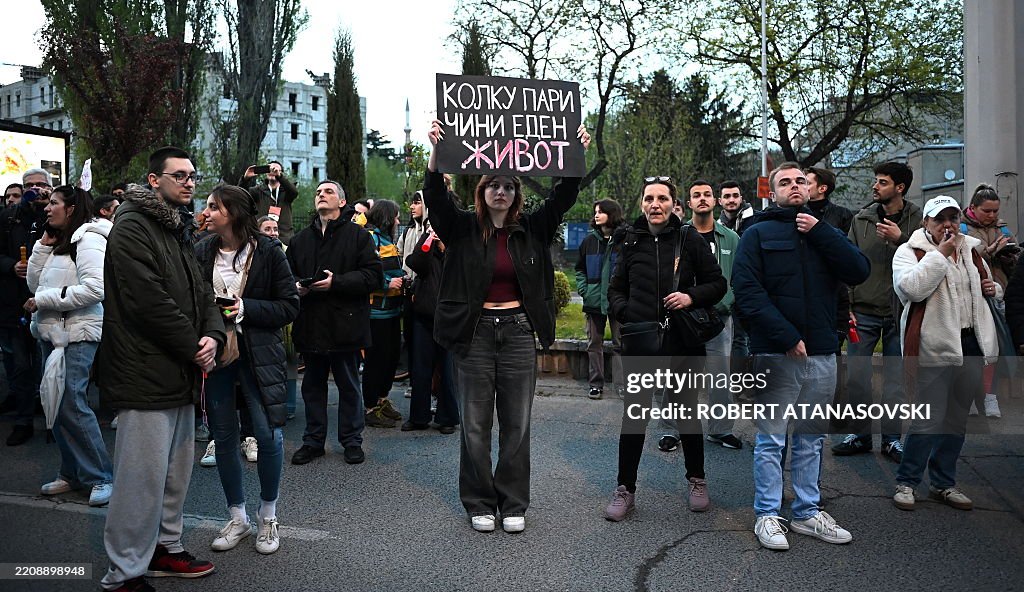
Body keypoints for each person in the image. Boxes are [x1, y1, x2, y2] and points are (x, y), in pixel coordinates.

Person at [423, 119, 590, 533]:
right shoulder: (462, 229)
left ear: (516, 194)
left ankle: (513, 503)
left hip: (517, 333)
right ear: (481, 191)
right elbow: (436, 198)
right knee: (476, 426)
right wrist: (435, 153)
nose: (501, 191)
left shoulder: (533, 229)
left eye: (509, 186)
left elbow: (563, 195)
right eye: (493, 185)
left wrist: (575, 153)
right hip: (475, 335)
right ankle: (479, 501)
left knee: (516, 424)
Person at [98, 147, 225, 590]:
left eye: (193, 175)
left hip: (181, 371)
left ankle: (163, 549)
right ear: (154, 180)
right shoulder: (133, 225)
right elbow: (147, 301)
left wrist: (215, 336)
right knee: (140, 480)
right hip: (145, 373)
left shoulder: (177, 228)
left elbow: (202, 294)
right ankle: (125, 573)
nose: (190, 182)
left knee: (174, 475)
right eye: (179, 175)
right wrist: (196, 347)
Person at [732, 162, 869, 551]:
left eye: (800, 182)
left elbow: (858, 271)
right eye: (785, 182)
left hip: (823, 352)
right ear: (772, 192)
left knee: (811, 439)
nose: (794, 186)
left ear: (811, 189)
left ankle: (808, 512)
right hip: (777, 352)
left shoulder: (824, 232)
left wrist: (821, 231)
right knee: (772, 440)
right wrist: (787, 337)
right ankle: (768, 516)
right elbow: (747, 292)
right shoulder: (756, 233)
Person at [603, 177, 726, 521]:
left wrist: (691, 297)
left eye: (662, 198)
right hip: (642, 341)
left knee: (687, 412)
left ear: (674, 204)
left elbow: (718, 284)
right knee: (635, 416)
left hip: (683, 340)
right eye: (649, 198)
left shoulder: (689, 239)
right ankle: (625, 488)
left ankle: (696, 480)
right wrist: (626, 314)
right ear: (641, 203)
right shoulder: (628, 239)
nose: (655, 204)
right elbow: (615, 288)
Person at [195, 184, 299, 555]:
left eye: (213, 207)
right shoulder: (201, 250)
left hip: (259, 356)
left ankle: (268, 515)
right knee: (224, 437)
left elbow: (289, 306)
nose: (206, 212)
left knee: (268, 436)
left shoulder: (269, 252)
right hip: (217, 356)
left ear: (235, 213)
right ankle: (237, 517)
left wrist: (245, 309)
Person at [891, 195, 998, 512]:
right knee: (927, 420)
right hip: (934, 348)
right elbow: (911, 289)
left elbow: (984, 289)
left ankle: (943, 483)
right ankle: (907, 482)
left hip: (971, 345)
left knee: (956, 420)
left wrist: (993, 288)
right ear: (926, 223)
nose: (948, 225)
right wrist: (941, 254)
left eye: (952, 217)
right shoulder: (909, 251)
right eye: (939, 219)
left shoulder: (971, 249)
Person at [26, 186, 113, 506]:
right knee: (54, 402)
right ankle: (72, 471)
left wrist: (44, 300)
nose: (47, 208)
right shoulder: (59, 241)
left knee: (71, 402)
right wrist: (40, 248)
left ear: (72, 208)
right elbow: (34, 285)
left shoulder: (89, 239)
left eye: (53, 203)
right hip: (52, 333)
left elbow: (95, 289)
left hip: (78, 332)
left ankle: (101, 475)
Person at [287, 180, 381, 466]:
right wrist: (296, 287)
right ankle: (313, 441)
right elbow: (285, 278)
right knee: (312, 387)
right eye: (318, 192)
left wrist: (336, 282)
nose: (320, 195)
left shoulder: (358, 237)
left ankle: (352, 441)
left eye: (328, 191)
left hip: (345, 325)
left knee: (349, 386)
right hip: (312, 324)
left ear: (342, 202)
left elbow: (374, 277)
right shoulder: (301, 240)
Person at [834, 162, 921, 462]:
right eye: (875, 181)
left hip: (901, 311)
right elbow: (846, 263)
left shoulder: (918, 220)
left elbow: (929, 260)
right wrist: (847, 305)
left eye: (882, 182)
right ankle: (859, 435)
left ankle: (892, 439)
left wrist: (901, 240)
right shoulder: (861, 219)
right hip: (863, 312)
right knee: (858, 378)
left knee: (895, 381)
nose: (875, 186)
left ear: (900, 188)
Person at [0, 168, 50, 445]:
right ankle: (23, 420)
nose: (35, 190)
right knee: (19, 366)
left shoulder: (60, 213)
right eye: (29, 185)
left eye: (40, 186)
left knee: (49, 367)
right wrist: (11, 266)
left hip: (50, 302)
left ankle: (53, 422)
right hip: (15, 302)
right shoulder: (8, 217)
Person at [961, 183, 1017, 418]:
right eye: (987, 211)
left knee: (993, 349)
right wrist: (991, 251)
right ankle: (970, 397)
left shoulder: (1003, 230)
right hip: (969, 296)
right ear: (973, 208)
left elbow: (1015, 268)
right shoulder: (961, 227)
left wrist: (1011, 256)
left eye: (995, 211)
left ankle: (989, 396)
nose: (992, 216)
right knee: (970, 350)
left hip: (997, 294)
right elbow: (963, 255)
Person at [403, 220, 459, 434]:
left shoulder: (456, 246)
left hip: (448, 318)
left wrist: (446, 250)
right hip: (423, 316)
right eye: (430, 226)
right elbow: (415, 263)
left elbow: (462, 271)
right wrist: (426, 241)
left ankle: (447, 418)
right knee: (420, 368)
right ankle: (418, 417)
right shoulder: (426, 246)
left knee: (447, 370)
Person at [361, 199, 408, 428]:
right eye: (396, 216)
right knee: (375, 361)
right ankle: (370, 407)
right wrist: (388, 282)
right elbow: (364, 273)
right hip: (375, 314)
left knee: (390, 358)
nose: (398, 221)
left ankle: (382, 400)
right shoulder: (370, 239)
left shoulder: (389, 240)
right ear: (387, 218)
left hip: (392, 312)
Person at [574, 198, 625, 400]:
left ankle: (622, 385)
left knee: (620, 344)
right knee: (594, 344)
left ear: (611, 214)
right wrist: (584, 290)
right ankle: (595, 384)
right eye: (595, 211)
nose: (596, 215)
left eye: (601, 211)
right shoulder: (589, 241)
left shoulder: (624, 240)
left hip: (617, 302)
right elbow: (579, 269)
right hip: (593, 302)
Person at [241, 161, 298, 245]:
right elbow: (241, 195)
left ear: (281, 173)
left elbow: (294, 192)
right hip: (262, 237)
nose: (272, 171)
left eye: (275, 169)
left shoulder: (286, 191)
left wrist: (279, 176)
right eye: (269, 169)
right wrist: (245, 179)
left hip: (284, 238)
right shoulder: (257, 191)